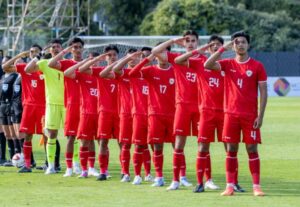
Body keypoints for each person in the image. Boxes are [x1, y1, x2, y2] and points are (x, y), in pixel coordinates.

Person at [204, 31, 268, 196]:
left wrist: (260, 116)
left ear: (248, 45)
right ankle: (230, 186)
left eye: (243, 42)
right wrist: (221, 49)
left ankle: (256, 187)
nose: (240, 45)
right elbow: (207, 65)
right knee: (231, 149)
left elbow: (264, 92)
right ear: (233, 45)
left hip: (250, 116)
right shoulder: (227, 63)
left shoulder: (257, 66)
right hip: (230, 115)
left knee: (252, 149)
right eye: (237, 42)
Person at [152, 30, 216, 189]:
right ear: (183, 43)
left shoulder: (205, 61)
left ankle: (208, 180)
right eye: (187, 40)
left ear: (198, 42)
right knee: (179, 144)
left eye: (193, 40)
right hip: (182, 107)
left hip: (201, 108)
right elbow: (155, 52)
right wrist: (173, 40)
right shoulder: (175, 58)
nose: (190, 43)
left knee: (204, 144)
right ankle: (176, 180)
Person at [129, 44, 175, 187]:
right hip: (151, 114)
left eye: (164, 52)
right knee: (147, 146)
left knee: (177, 147)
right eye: (159, 53)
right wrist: (146, 59)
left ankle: (179, 177)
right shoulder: (149, 71)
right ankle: (141, 175)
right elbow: (132, 73)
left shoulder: (176, 71)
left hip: (172, 115)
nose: (162, 56)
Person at [79, 45, 120, 181]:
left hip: (120, 114)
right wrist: (96, 59)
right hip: (104, 113)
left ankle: (125, 172)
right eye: (109, 55)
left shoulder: (122, 73)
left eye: (114, 55)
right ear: (105, 57)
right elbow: (82, 69)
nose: (112, 57)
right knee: (102, 142)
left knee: (123, 144)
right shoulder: (98, 71)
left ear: (118, 56)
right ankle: (100, 171)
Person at [25, 40, 64, 174]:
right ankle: (51, 166)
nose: (55, 49)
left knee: (74, 135)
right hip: (51, 103)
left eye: (58, 46)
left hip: (68, 104)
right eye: (53, 47)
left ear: (62, 49)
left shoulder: (69, 64)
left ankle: (76, 167)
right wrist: (39, 55)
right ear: (49, 50)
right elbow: (28, 69)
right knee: (51, 134)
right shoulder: (45, 63)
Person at [48, 37, 85, 176]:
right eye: (74, 47)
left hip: (86, 106)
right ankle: (69, 167)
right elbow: (51, 63)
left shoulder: (89, 64)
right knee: (71, 137)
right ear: (71, 49)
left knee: (87, 138)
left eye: (79, 47)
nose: (77, 50)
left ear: (83, 49)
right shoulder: (66, 63)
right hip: (71, 105)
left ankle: (84, 167)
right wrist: (64, 51)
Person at [64, 56, 100, 178]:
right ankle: (69, 168)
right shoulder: (82, 74)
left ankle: (91, 168)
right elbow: (67, 73)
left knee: (92, 140)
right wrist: (83, 62)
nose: (94, 63)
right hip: (78, 110)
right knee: (72, 138)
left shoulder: (102, 75)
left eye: (96, 61)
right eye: (92, 61)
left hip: (98, 113)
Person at [0, 56, 19, 166]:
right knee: (6, 134)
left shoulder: (15, 76)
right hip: (2, 106)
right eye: (3, 63)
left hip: (11, 106)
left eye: (7, 62)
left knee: (14, 134)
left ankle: (18, 155)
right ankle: (8, 157)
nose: (4, 65)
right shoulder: (3, 77)